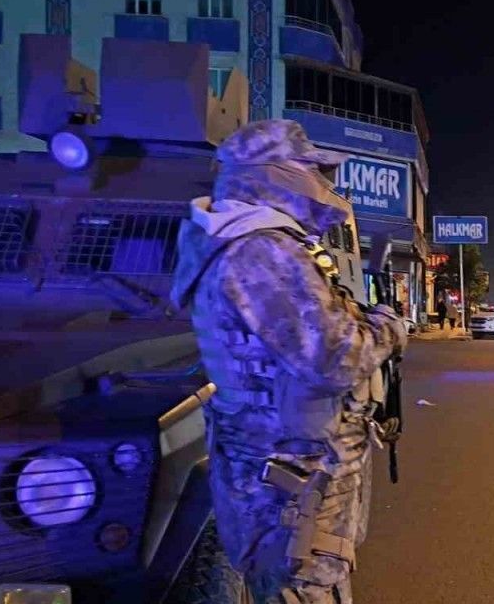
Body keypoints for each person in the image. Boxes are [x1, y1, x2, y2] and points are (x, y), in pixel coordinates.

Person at [171, 119, 406, 604]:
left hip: (286, 470)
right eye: (312, 170)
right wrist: (389, 327)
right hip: (289, 479)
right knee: (301, 589)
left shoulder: (252, 242)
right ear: (275, 173)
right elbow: (337, 358)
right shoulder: (261, 251)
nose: (324, 185)